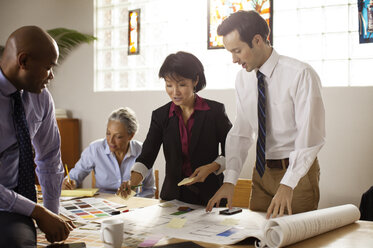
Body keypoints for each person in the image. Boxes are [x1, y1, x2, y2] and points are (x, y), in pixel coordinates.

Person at [206, 10, 326, 219]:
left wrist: (288, 184)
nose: (234, 59)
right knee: (257, 236)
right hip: (261, 173)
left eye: (237, 50)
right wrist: (229, 180)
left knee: (295, 238)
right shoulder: (243, 79)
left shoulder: (300, 74)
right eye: (230, 52)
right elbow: (242, 132)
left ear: (257, 40)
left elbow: (310, 137)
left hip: (296, 174)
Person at [117, 51, 232, 205]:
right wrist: (133, 182)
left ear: (195, 80)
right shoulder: (160, 116)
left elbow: (231, 150)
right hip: (172, 197)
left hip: (211, 196)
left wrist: (212, 167)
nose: (175, 92)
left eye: (182, 84)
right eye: (169, 85)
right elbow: (147, 156)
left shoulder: (215, 112)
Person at [0, 26, 74, 247]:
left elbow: (50, 157)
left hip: (15, 204)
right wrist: (38, 212)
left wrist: (51, 215)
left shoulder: (40, 98)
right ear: (23, 61)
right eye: (48, 67)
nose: (51, 76)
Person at [62, 107, 155, 197]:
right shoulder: (95, 149)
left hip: (131, 206)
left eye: (118, 136)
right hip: (101, 204)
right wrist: (69, 182)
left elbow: (149, 190)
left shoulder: (143, 152)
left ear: (131, 135)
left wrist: (137, 204)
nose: (110, 141)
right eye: (108, 133)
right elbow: (74, 176)